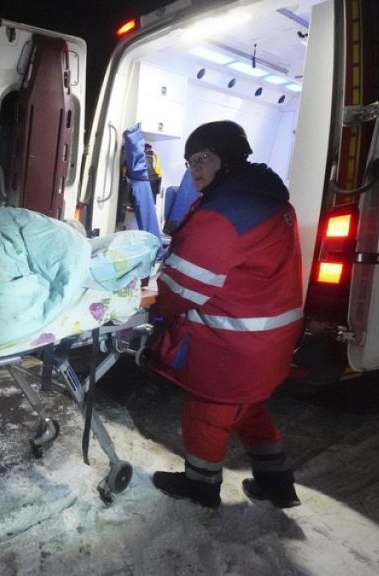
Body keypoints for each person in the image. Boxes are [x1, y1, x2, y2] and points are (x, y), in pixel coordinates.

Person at [148, 120, 303, 509]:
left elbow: (179, 290)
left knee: (207, 414)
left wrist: (152, 296)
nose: (194, 168)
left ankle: (200, 485)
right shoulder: (269, 199)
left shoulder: (222, 215)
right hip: (269, 341)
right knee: (250, 410)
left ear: (229, 158)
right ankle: (277, 482)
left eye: (204, 157)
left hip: (233, 347)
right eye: (189, 161)